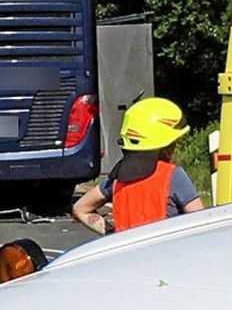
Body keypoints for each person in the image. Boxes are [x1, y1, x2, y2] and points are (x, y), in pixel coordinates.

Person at [72, 97, 204, 235]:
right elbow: (200, 223)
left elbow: (80, 208)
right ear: (166, 145)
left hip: (128, 253)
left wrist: (112, 233)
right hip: (167, 253)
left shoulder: (116, 178)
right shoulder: (174, 176)